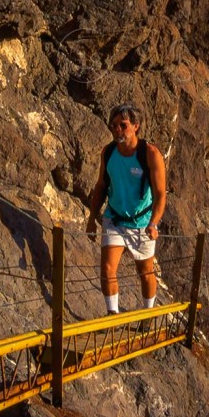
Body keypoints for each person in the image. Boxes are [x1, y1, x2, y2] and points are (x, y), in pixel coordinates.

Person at [86, 103, 166, 315]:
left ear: (136, 126)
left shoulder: (150, 154)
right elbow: (101, 185)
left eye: (123, 125)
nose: (117, 130)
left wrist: (154, 223)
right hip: (115, 218)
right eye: (114, 126)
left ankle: (147, 313)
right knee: (107, 269)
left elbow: (160, 194)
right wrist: (91, 217)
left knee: (145, 271)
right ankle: (112, 314)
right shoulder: (109, 152)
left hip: (142, 223)